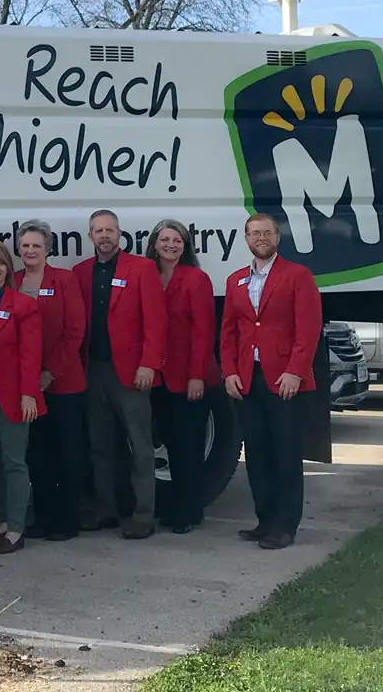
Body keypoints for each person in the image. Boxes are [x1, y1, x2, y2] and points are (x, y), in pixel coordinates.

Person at [221, 213, 322, 550]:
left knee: (285, 454)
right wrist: (230, 371)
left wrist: (295, 371)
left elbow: (307, 330)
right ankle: (264, 521)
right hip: (249, 380)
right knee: (258, 454)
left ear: (277, 237)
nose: (261, 238)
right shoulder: (235, 280)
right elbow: (229, 333)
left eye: (267, 233)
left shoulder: (298, 276)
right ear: (246, 239)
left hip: (284, 380)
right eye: (254, 233)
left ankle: (285, 526)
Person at [72, 209, 166, 539]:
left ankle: (143, 515)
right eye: (98, 231)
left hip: (130, 372)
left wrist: (148, 364)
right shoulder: (80, 272)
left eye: (110, 230)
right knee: (99, 445)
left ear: (120, 233)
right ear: (90, 237)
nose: (104, 236)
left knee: (140, 446)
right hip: (93, 371)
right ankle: (105, 511)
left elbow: (156, 322)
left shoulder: (141, 269)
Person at [13, 220, 87, 542]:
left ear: (48, 249)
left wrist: (47, 373)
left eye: (36, 246)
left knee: (66, 452)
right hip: (25, 387)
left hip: (62, 383)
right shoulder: (12, 281)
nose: (30, 251)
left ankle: (66, 521)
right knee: (37, 454)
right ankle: (42, 518)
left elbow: (74, 333)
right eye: (25, 245)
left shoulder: (65, 280)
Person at [0, 240, 46, 554]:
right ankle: (4, 521)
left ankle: (16, 529)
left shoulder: (22, 306)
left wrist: (29, 394)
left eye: (1, 262)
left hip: (13, 393)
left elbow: (31, 357)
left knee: (15, 461)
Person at [146, 219, 220, 534]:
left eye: (177, 240)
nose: (171, 245)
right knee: (172, 445)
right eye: (165, 240)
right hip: (160, 378)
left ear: (185, 246)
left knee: (188, 447)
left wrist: (196, 376)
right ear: (154, 244)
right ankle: (179, 507)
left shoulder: (196, 279)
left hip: (188, 376)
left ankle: (190, 512)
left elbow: (204, 332)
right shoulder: (149, 276)